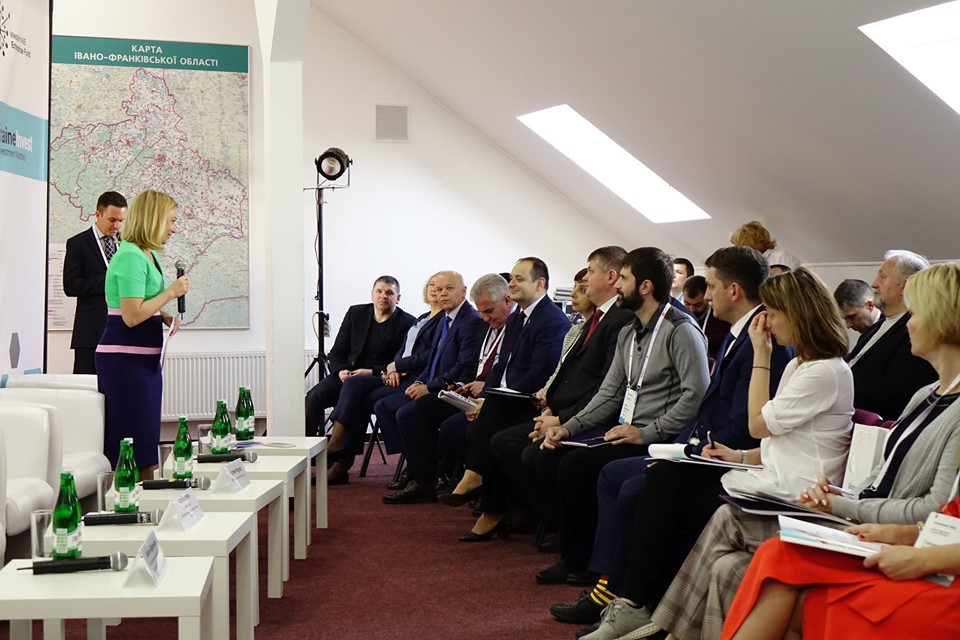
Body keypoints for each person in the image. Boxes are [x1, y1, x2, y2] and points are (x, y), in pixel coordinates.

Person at [649, 263, 960, 640]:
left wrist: (841, 506)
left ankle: (661, 627)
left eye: (916, 313)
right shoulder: (925, 396)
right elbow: (881, 481)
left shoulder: (827, 371)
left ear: (942, 321)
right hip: (856, 512)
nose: (908, 323)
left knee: (728, 520)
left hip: (878, 525)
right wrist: (840, 496)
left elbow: (934, 508)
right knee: (727, 564)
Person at [582, 267, 853, 640]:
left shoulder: (825, 372)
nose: (769, 323)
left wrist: (761, 356)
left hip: (797, 497)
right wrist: (737, 456)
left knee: (678, 494)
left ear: (799, 316)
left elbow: (758, 424)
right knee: (665, 476)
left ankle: (654, 615)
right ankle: (640, 605)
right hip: (772, 481)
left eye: (775, 314)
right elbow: (783, 445)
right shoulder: (801, 365)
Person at [550, 246, 790, 628]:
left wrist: (682, 447)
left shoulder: (738, 337)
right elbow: (612, 392)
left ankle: (630, 596)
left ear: (733, 291)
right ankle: (607, 585)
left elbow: (736, 419)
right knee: (599, 470)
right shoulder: (737, 334)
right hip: (701, 445)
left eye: (711, 286)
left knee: (634, 484)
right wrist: (568, 425)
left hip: (725, 455)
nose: (705, 295)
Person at [532, 247, 710, 586]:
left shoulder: (680, 330)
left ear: (645, 286)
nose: (617, 286)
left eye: (624, 279)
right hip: (627, 429)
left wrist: (646, 433)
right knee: (561, 456)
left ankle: (585, 563)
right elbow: (610, 393)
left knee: (578, 466)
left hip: (661, 438)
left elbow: (695, 396)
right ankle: (577, 556)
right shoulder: (630, 330)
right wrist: (569, 427)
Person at [452, 250, 635, 541]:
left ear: (540, 284)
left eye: (519, 278)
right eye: (511, 278)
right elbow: (507, 367)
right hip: (545, 404)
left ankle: (537, 515)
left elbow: (579, 381)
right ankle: (508, 506)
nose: (511, 284)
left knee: (507, 435)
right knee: (493, 427)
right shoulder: (524, 319)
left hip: (563, 409)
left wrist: (559, 418)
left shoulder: (567, 320)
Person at [96, 190, 188, 472]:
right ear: (154, 219)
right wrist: (171, 292)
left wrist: (164, 316)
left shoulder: (147, 254)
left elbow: (143, 302)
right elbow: (132, 315)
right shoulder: (131, 256)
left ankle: (144, 496)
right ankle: (129, 496)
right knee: (132, 447)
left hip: (144, 362)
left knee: (146, 445)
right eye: (171, 220)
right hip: (125, 363)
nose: (173, 228)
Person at [324, 273, 444, 484]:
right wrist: (393, 367)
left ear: (398, 297)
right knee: (350, 386)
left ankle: (338, 448)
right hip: (395, 373)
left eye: (442, 288)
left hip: (413, 377)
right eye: (432, 285)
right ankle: (339, 452)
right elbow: (403, 350)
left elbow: (430, 355)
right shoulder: (423, 318)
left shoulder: (441, 321)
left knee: (359, 396)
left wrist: (396, 366)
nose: (435, 290)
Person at [379, 270, 482, 503]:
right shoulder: (445, 318)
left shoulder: (471, 320)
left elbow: (463, 365)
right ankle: (420, 471)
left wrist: (430, 387)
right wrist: (419, 381)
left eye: (449, 288)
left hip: (456, 389)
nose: (442, 293)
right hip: (434, 385)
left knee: (408, 413)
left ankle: (422, 479)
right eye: (439, 288)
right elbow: (432, 360)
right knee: (390, 406)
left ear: (463, 291)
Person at [304, 276, 416, 436]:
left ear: (398, 298)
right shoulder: (355, 313)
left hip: (378, 378)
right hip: (348, 374)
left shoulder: (408, 323)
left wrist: (371, 371)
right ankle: (308, 447)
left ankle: (341, 447)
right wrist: (341, 371)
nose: (383, 296)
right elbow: (337, 351)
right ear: (372, 295)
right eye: (379, 291)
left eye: (389, 293)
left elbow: (401, 361)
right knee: (313, 397)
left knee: (357, 402)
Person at [848, 250, 936, 421]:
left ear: (905, 286)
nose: (874, 284)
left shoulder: (915, 332)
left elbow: (894, 393)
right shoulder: (875, 327)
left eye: (883, 277)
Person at [63, 191, 128, 374]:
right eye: (112, 220)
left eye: (121, 221)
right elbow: (71, 286)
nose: (117, 226)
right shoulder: (78, 243)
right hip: (91, 333)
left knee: (118, 387)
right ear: (98, 214)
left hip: (123, 331)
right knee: (87, 387)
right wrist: (110, 280)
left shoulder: (126, 244)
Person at [683, 274, 732, 361]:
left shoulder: (721, 316)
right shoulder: (680, 315)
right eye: (687, 303)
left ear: (707, 297)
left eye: (698, 305)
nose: (692, 309)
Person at [729, 220, 800, 274]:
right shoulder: (748, 265)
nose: (738, 251)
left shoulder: (781, 257)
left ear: (752, 243)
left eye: (740, 246)